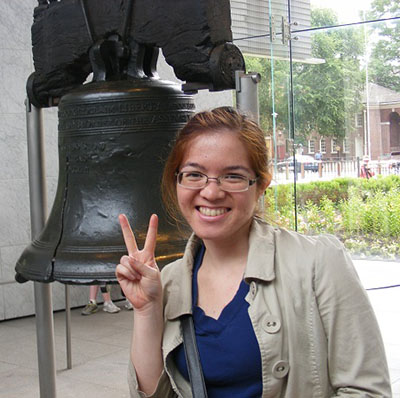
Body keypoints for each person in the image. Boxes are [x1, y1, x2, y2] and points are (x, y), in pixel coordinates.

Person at [116, 107, 391, 397]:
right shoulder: (169, 283)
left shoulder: (318, 263)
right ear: (177, 180)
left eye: (232, 176)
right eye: (194, 174)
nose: (211, 192)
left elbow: (368, 391)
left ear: (261, 186)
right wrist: (146, 311)